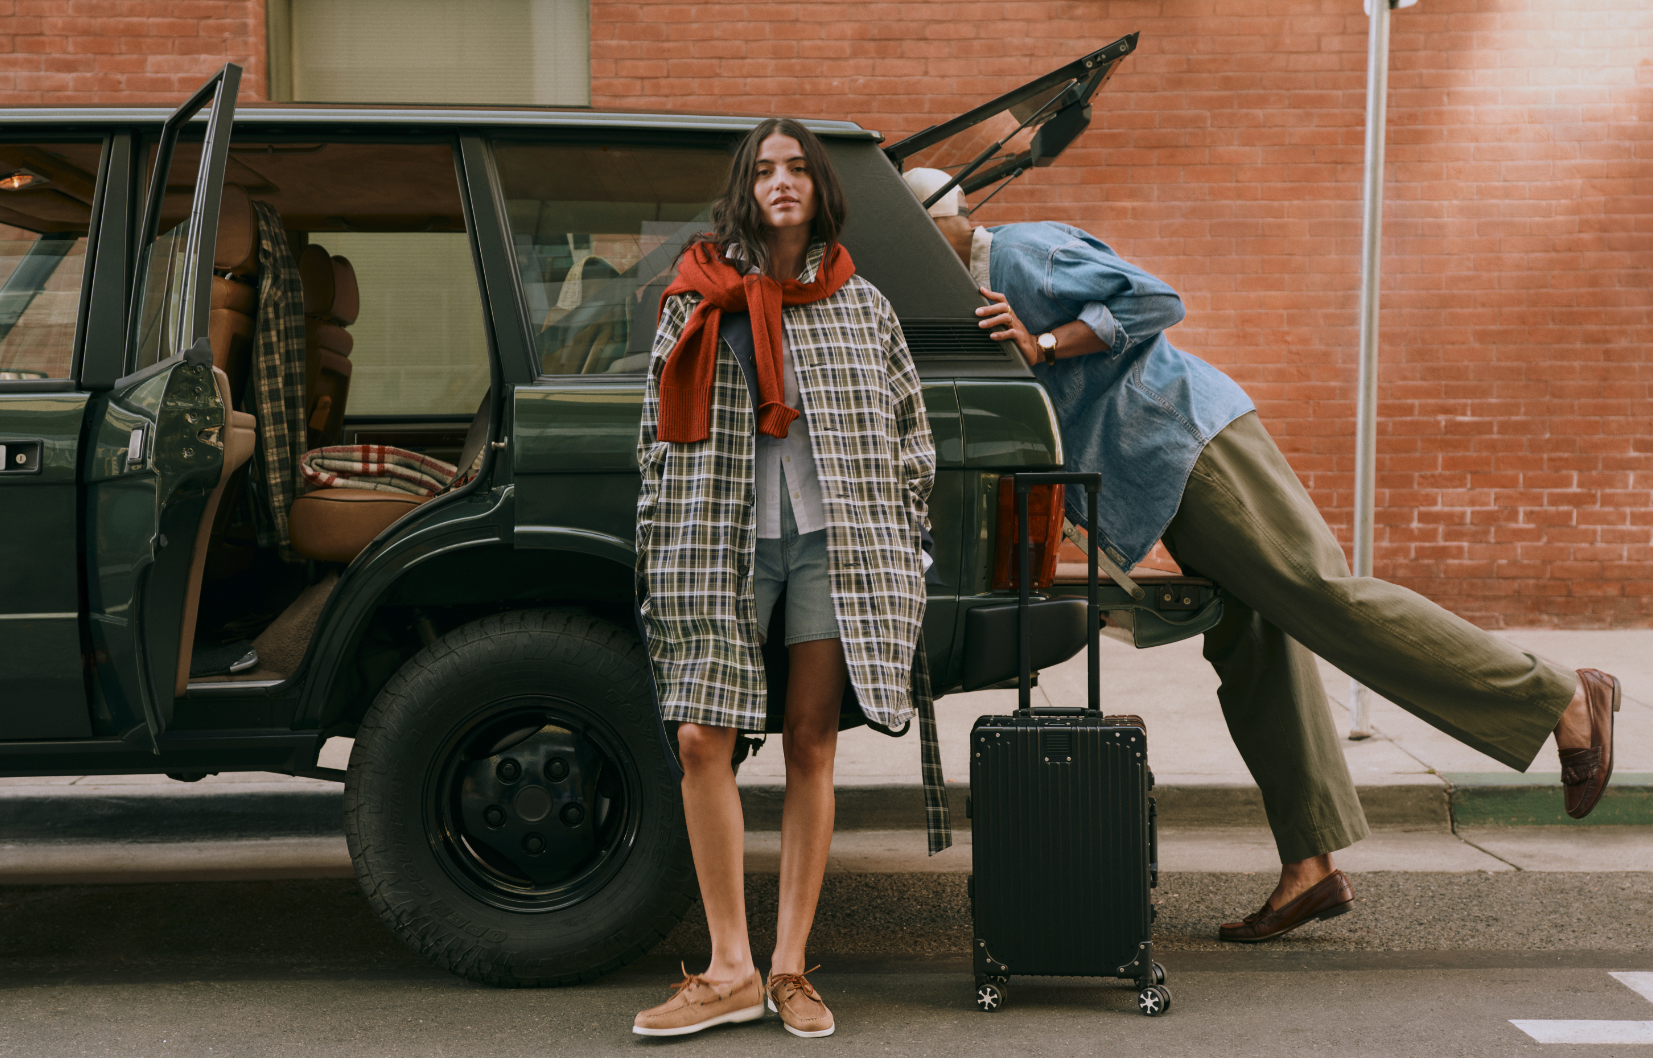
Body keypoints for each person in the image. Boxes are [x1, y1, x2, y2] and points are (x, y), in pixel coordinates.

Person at [902, 167, 1621, 943]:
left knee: (1320, 594)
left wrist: (1046, 341)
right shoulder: (963, 294)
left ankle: (1559, 696)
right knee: (1253, 642)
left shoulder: (1021, 252)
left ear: (942, 221)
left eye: (912, 238)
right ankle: (1310, 866)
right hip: (1158, 475)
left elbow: (1153, 300)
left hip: (1192, 443)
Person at [631, 121, 938, 1036]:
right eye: (764, 169)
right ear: (744, 189)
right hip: (719, 538)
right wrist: (659, 533)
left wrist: (903, 535)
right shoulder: (697, 296)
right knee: (700, 738)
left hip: (830, 542)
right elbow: (653, 437)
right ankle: (728, 967)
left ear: (820, 187)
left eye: (798, 167)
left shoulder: (861, 305)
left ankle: (788, 968)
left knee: (811, 739)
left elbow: (909, 431)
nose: (781, 181)